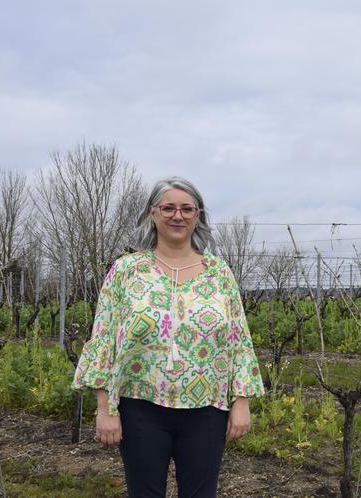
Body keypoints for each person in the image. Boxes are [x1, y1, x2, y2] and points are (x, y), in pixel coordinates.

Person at [71, 177, 265, 497]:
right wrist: (104, 408)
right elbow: (103, 338)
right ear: (153, 213)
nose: (178, 215)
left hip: (207, 410)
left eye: (187, 209)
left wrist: (241, 402)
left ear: (198, 216)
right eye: (168, 208)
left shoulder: (220, 273)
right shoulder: (126, 271)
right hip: (140, 407)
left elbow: (239, 339)